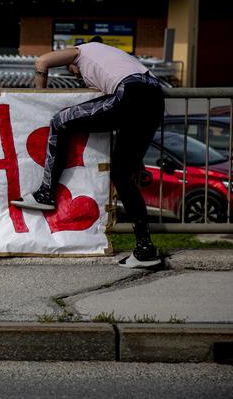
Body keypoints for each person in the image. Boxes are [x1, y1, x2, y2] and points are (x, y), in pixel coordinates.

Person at [11, 42, 165, 268]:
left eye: (72, 71)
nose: (76, 76)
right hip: (154, 98)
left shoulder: (82, 51)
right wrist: (138, 164)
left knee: (60, 120)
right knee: (122, 175)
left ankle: (46, 193)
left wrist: (39, 100)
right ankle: (145, 249)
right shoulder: (118, 59)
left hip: (130, 94)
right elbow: (126, 122)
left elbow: (42, 61)